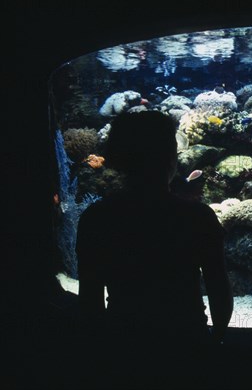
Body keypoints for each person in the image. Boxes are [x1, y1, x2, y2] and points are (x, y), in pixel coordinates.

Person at [76, 111, 233, 351]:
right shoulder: (198, 216)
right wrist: (217, 338)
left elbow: (90, 299)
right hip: (187, 342)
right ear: (170, 157)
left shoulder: (97, 217)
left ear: (118, 158)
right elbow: (218, 288)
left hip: (123, 343)